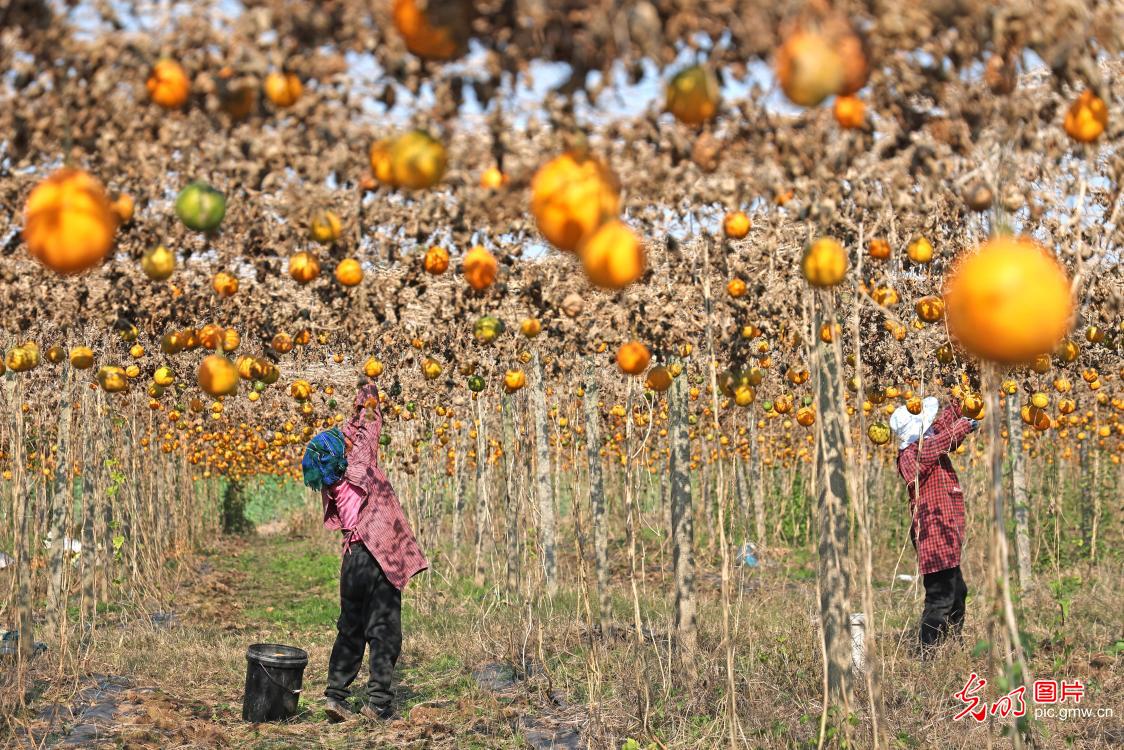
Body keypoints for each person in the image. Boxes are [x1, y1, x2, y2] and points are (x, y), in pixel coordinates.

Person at [321, 381, 429, 722]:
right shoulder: (361, 470)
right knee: (384, 629)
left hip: (352, 562)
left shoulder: (332, 484)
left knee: (350, 628)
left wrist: (345, 426)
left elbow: (352, 438)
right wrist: (368, 389)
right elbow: (370, 425)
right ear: (347, 455)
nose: (348, 438)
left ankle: (335, 696)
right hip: (376, 557)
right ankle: (379, 702)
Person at [890, 395, 978, 656]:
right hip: (932, 533)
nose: (931, 429)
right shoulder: (909, 455)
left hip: (946, 533)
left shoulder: (930, 443)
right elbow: (936, 444)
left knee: (958, 591)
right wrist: (961, 427)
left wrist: (963, 398)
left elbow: (943, 429)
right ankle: (926, 651)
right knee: (939, 597)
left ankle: (952, 641)